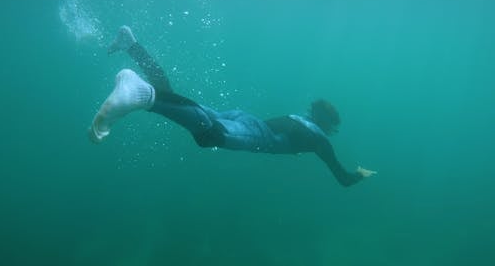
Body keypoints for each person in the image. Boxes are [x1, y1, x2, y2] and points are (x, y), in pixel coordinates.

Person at [89, 26, 377, 187]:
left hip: (245, 119)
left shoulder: (305, 121)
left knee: (176, 99)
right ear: (328, 125)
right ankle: (143, 96)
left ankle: (132, 46)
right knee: (209, 136)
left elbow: (292, 133)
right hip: (254, 134)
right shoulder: (321, 140)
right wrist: (361, 174)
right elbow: (343, 179)